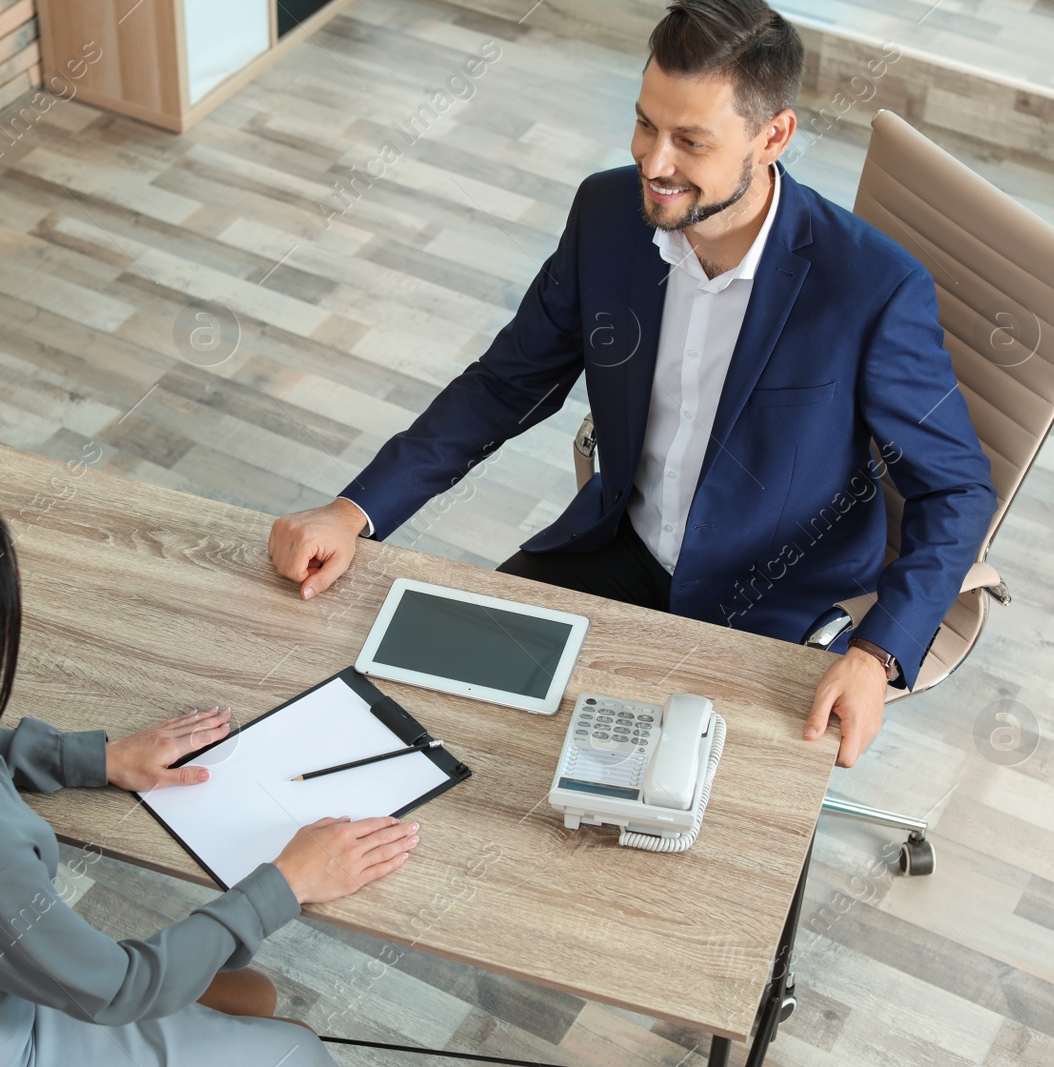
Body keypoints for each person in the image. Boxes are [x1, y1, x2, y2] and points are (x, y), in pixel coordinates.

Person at [269, 0, 995, 770]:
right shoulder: (608, 214)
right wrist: (354, 511)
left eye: (690, 141)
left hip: (770, 609)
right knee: (435, 721)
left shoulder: (871, 289)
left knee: (715, 837)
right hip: (616, 548)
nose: (654, 163)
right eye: (646, 123)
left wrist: (878, 654)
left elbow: (955, 490)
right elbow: (504, 384)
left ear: (773, 136)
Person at [0, 482, 418, 1066]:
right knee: (296, 1054)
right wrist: (286, 881)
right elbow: (121, 988)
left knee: (252, 1001)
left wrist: (95, 759)